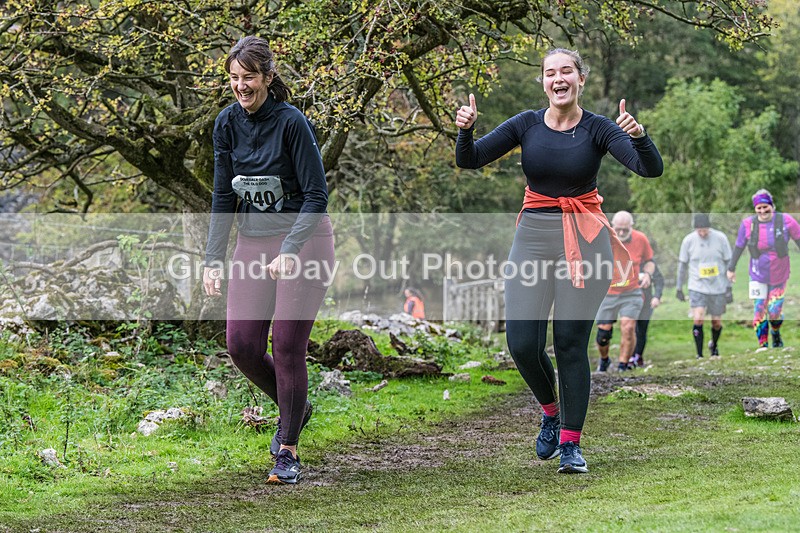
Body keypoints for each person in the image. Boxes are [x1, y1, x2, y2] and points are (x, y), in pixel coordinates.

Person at [455, 48, 662, 473]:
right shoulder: (526, 124)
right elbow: (469, 159)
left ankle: (571, 443)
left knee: (569, 343)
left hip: (585, 243)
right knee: (522, 344)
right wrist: (465, 130)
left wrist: (639, 135)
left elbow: (650, 169)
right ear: (544, 82)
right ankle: (550, 410)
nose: (558, 79)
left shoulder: (599, 128)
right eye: (551, 73)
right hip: (532, 239)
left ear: (580, 78)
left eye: (566, 70)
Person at [202, 36, 334, 485]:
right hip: (253, 243)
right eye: (234, 79)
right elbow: (223, 195)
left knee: (288, 347)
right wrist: (212, 259)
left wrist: (291, 250)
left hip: (305, 241)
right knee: (240, 345)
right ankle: (295, 406)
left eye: (249, 78)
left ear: (268, 77)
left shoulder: (292, 123)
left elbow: (317, 195)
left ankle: (289, 450)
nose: (241, 87)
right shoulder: (225, 124)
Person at [727, 189, 800, 349]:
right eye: (758, 208)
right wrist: (731, 268)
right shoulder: (748, 225)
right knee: (759, 309)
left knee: (774, 311)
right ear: (755, 209)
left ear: (772, 206)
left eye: (765, 207)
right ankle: (763, 346)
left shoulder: (786, 221)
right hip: (757, 274)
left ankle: (776, 333)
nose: (762, 211)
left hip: (780, 274)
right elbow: (739, 247)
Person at [595, 211, 655, 372]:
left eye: (625, 229)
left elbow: (650, 262)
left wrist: (648, 274)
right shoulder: (603, 238)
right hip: (607, 292)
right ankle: (604, 360)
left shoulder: (641, 239)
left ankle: (623, 365)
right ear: (612, 226)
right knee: (603, 335)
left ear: (631, 227)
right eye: (618, 229)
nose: (621, 232)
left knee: (628, 327)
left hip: (632, 292)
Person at [675, 214, 731, 358]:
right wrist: (679, 287)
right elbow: (682, 265)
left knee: (716, 322)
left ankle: (714, 345)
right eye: (699, 230)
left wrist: (729, 287)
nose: (702, 233)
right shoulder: (688, 240)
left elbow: (729, 263)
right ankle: (699, 354)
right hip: (697, 286)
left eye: (705, 230)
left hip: (718, 286)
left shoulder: (721, 238)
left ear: (709, 228)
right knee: (698, 318)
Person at [631, 261, 664, 368]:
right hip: (629, 302)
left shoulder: (649, 263)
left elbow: (659, 280)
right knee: (630, 328)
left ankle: (638, 355)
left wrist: (657, 297)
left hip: (646, 302)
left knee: (641, 329)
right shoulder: (624, 259)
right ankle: (630, 357)